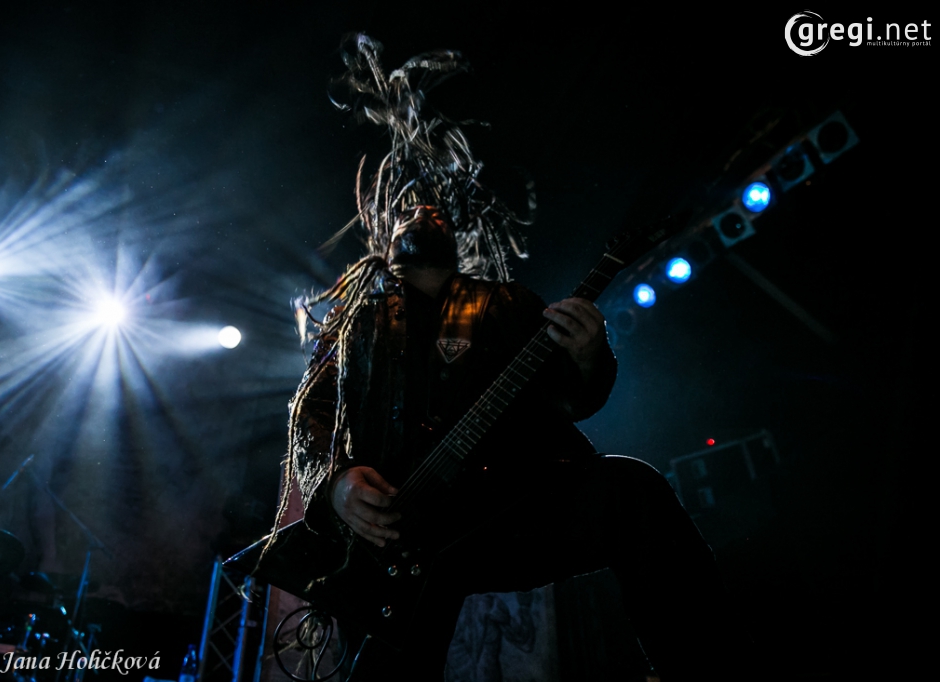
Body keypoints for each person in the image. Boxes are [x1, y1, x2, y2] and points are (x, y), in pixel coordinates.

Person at [274, 35, 751, 681]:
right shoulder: (354, 317)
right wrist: (335, 486)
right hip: (398, 536)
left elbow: (572, 399)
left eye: (437, 207)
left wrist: (588, 356)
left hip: (503, 512)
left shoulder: (506, 303)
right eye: (410, 207)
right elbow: (310, 417)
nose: (424, 208)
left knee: (633, 491)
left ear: (457, 232)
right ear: (388, 233)